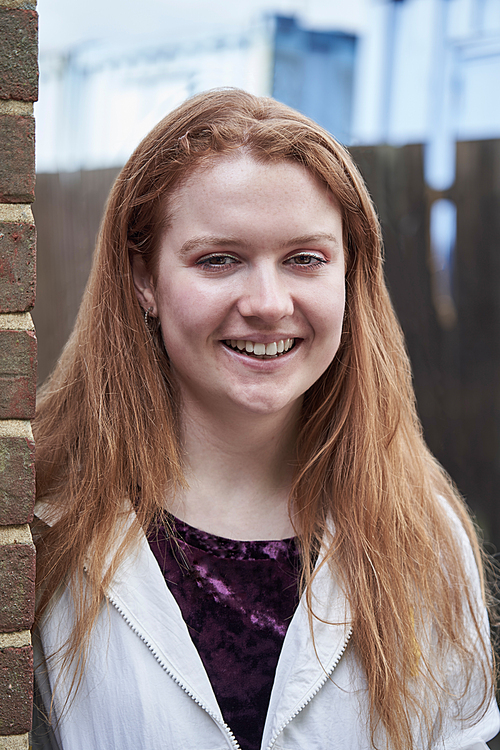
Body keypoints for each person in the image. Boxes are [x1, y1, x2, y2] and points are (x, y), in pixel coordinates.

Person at [32, 88, 499, 750]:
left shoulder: (426, 533)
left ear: (350, 274)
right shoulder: (41, 533)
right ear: (143, 278)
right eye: (219, 259)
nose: (268, 303)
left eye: (304, 258)